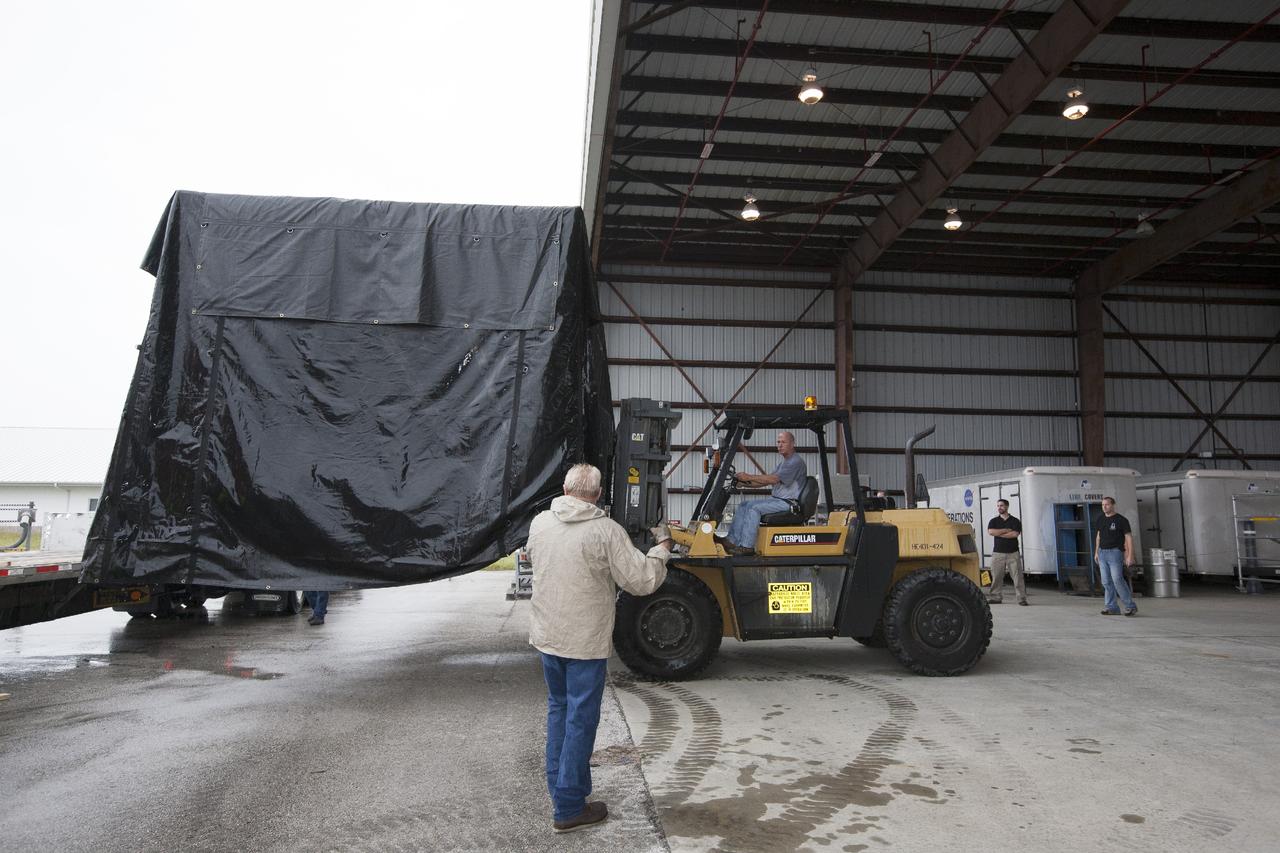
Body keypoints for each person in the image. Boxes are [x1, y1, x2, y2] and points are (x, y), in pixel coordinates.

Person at [526, 463, 674, 833]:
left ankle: (562, 792)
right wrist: (662, 550)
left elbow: (532, 556)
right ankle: (569, 807)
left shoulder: (540, 523)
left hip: (547, 638)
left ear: (564, 488)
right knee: (580, 719)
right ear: (597, 494)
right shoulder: (606, 532)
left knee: (559, 711)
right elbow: (640, 580)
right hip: (583, 644)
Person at [725, 431, 807, 554]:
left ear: (792, 444)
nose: (779, 445)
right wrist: (742, 483)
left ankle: (746, 547)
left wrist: (749, 477)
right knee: (744, 505)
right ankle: (732, 541)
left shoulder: (795, 462)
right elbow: (764, 482)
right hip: (777, 500)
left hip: (789, 503)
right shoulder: (783, 463)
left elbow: (773, 479)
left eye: (783, 442)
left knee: (754, 508)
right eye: (778, 442)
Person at [1094, 496, 1137, 616]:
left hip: (1115, 553)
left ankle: (1130, 606)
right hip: (1103, 553)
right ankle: (1111, 607)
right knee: (1106, 581)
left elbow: (1128, 538)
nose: (1104, 507)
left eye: (1107, 504)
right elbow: (1098, 536)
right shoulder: (1100, 519)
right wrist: (1096, 552)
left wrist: (1130, 555)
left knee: (1117, 579)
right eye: (1102, 505)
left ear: (1113, 505)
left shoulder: (1121, 520)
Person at [986, 499, 1027, 606]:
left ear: (1007, 506)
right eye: (998, 505)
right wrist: (1005, 530)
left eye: (1002, 505)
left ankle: (1021, 598)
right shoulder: (994, 521)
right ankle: (995, 597)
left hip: (1013, 553)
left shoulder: (1015, 521)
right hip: (998, 553)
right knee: (996, 577)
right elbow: (991, 532)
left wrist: (998, 533)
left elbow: (1014, 534)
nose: (999, 507)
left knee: (1018, 577)